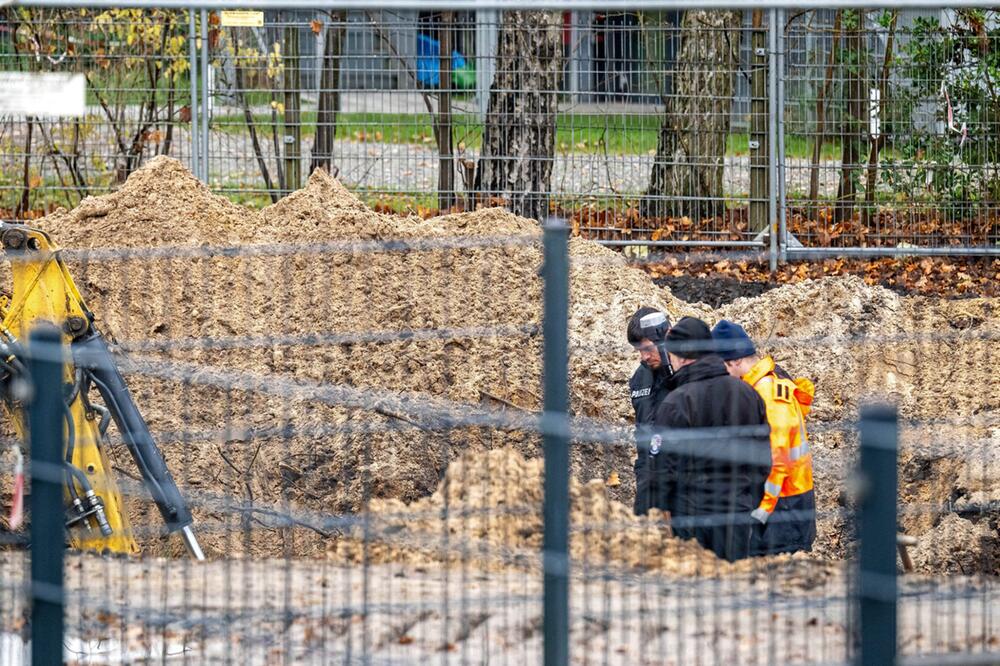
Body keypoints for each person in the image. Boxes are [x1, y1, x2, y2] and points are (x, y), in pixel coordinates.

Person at [652, 317, 772, 562]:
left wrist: (665, 516)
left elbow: (663, 469)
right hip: (736, 516)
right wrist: (746, 501)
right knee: (732, 587)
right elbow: (763, 460)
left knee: (696, 590)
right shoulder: (748, 394)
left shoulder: (677, 402)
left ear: (683, 357)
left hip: (692, 519)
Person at [711, 319, 816, 555]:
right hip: (783, 504)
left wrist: (759, 513)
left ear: (736, 360)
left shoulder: (768, 394)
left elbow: (777, 460)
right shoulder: (764, 383)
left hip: (783, 508)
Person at [626, 307, 674, 516]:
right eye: (639, 351)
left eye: (647, 349)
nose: (644, 357)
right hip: (648, 478)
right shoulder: (639, 378)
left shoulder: (686, 374)